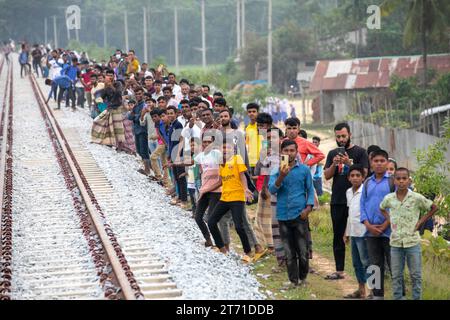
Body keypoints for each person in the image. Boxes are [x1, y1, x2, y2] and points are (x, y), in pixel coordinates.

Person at [380, 167, 438, 300]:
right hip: (395, 243)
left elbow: (434, 207)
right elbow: (382, 208)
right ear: (394, 181)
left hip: (412, 242)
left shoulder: (416, 198)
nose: (401, 181)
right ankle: (398, 297)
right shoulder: (389, 198)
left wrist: (420, 222)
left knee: (416, 275)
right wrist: (389, 219)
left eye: (404, 178)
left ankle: (417, 297)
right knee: (396, 275)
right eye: (398, 179)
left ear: (409, 181)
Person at [324, 122, 369, 280]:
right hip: (337, 199)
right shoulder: (332, 153)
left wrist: (349, 163)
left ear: (350, 135)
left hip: (357, 200)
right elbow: (327, 176)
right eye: (338, 137)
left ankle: (367, 273)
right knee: (337, 235)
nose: (341, 139)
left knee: (361, 236)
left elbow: (365, 173)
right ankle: (339, 270)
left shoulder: (361, 152)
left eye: (344, 136)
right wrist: (335, 164)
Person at [268, 140, 315, 289]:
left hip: (299, 215)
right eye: (286, 151)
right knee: (289, 252)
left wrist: (307, 209)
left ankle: (303, 279)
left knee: (302, 250)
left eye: (292, 151)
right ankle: (292, 281)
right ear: (282, 152)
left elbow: (310, 190)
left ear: (296, 152)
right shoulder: (276, 170)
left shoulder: (304, 170)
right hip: (282, 215)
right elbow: (272, 190)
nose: (289, 154)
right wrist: (281, 176)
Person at [207, 140, 254, 262]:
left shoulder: (237, 158)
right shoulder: (221, 163)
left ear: (233, 149)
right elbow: (221, 181)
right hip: (225, 198)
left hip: (237, 198)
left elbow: (243, 176)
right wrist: (206, 189)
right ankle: (222, 248)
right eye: (223, 148)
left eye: (227, 147)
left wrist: (245, 189)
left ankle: (248, 252)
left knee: (239, 226)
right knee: (211, 221)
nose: (225, 150)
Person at [360, 149, 394, 300]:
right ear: (371, 163)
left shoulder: (393, 182)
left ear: (387, 163)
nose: (379, 164)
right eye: (376, 161)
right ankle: (377, 295)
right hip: (371, 232)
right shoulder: (367, 182)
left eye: (382, 161)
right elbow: (362, 205)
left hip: (390, 232)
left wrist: (387, 223)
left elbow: (398, 205)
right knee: (375, 265)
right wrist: (368, 225)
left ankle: (399, 294)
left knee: (394, 265)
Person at [343, 165, 370, 299]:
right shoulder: (348, 192)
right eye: (352, 175)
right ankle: (361, 290)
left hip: (364, 232)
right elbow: (350, 214)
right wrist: (346, 232)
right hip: (353, 232)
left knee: (367, 261)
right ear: (348, 178)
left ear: (363, 177)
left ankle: (374, 292)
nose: (355, 178)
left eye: (358, 175)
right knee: (356, 262)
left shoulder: (366, 191)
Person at [127, 87, 151, 175]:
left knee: (144, 150)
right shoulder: (136, 105)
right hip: (136, 130)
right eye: (136, 94)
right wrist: (136, 115)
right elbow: (129, 117)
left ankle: (147, 170)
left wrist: (135, 115)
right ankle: (147, 168)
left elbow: (139, 118)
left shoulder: (144, 105)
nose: (138, 96)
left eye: (140, 94)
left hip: (143, 130)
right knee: (139, 150)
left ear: (143, 95)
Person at [245, 103, 262, 178]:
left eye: (254, 111)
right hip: (251, 162)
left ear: (258, 112)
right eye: (249, 112)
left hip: (262, 160)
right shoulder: (247, 128)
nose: (251, 113)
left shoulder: (262, 126)